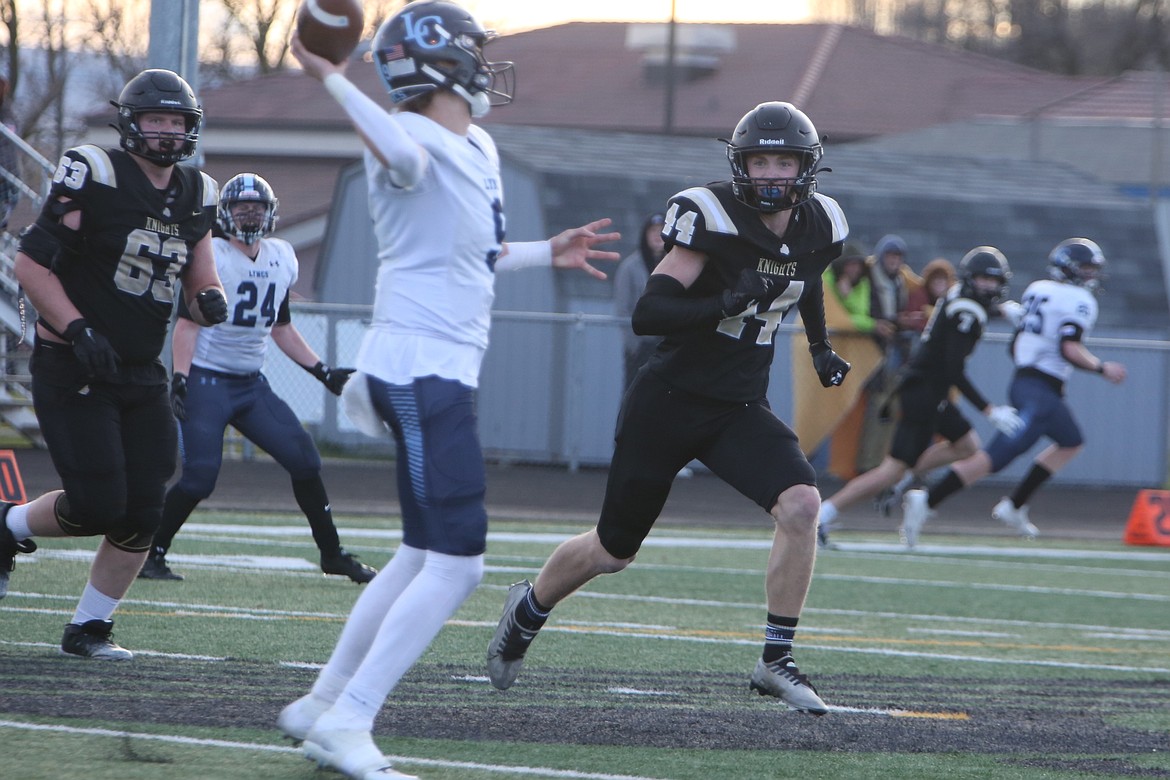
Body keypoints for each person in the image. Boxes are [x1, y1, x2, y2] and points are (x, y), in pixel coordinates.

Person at [276, 4, 621, 778]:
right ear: (439, 63)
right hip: (418, 369)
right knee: (458, 564)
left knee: (418, 554)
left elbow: (473, 251)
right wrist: (330, 74)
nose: (484, 63)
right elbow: (398, 151)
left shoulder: (480, 143)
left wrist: (546, 251)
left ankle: (320, 704)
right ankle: (352, 719)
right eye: (473, 51)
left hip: (437, 370)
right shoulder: (410, 142)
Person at [486, 100, 852, 717]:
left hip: (738, 405)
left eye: (782, 161)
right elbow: (649, 314)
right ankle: (529, 608)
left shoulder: (821, 224)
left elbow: (806, 276)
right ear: (740, 165)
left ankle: (775, 660)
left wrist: (820, 347)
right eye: (759, 160)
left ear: (805, 168)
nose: (770, 174)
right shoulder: (708, 216)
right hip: (670, 401)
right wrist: (724, 302)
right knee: (612, 552)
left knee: (802, 504)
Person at [0, 69, 228, 659]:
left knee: (144, 509)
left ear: (191, 129)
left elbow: (198, 269)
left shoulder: (197, 192)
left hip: (139, 369)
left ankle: (89, 628)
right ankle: (7, 524)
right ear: (130, 123)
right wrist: (76, 328)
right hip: (73, 364)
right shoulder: (95, 174)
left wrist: (210, 299)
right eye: (154, 121)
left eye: (175, 123)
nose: (165, 134)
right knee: (98, 505)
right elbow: (30, 265)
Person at [139, 173, 376, 585]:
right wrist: (180, 377)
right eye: (241, 207)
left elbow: (281, 326)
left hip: (250, 384)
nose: (250, 215)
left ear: (271, 213)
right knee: (199, 478)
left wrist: (323, 371)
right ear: (225, 213)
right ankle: (149, 553)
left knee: (305, 460)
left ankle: (332, 555)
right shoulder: (211, 254)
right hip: (207, 382)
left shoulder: (282, 255)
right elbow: (187, 325)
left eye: (257, 208)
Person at [901, 238, 1127, 547]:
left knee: (1071, 441)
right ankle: (926, 501)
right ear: (1070, 269)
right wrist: (1102, 368)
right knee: (995, 457)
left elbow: (1018, 343)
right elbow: (1069, 347)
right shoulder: (1079, 299)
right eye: (1086, 268)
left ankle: (1015, 505)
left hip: (1029, 380)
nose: (1091, 275)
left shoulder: (1038, 289)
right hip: (1039, 388)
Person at [816, 247, 1024, 548]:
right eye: (983, 280)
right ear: (970, 279)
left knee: (967, 446)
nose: (989, 287)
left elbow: (964, 311)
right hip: (924, 393)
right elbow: (953, 369)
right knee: (890, 469)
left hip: (928, 389)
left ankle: (903, 478)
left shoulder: (959, 297)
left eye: (993, 281)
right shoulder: (967, 311)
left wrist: (999, 309)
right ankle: (824, 514)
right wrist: (989, 409)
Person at [613, 211, 667, 391]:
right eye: (653, 231)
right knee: (633, 393)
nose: (657, 236)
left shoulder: (679, 265)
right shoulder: (629, 267)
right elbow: (622, 308)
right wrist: (634, 346)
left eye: (662, 230)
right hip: (639, 346)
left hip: (666, 346)